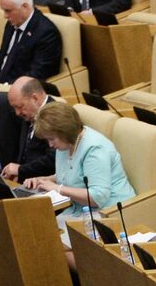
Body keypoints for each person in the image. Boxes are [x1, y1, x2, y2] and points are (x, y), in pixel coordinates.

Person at [24, 102, 135, 266]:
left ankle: (96, 280)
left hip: (108, 212)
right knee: (36, 233)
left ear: (64, 131)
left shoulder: (94, 149)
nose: (50, 145)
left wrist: (58, 188)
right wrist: (46, 180)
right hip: (78, 209)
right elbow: (70, 173)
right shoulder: (66, 145)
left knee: (51, 246)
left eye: (51, 138)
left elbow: (98, 197)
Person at [0, 0, 62, 84]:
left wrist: (6, 86)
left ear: (25, 7)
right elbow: (4, 53)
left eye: (8, 11)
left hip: (19, 90)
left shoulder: (46, 33)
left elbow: (37, 74)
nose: (5, 16)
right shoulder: (12, 23)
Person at [2, 76, 57, 182]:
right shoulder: (30, 113)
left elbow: (54, 159)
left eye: (20, 106)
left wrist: (21, 170)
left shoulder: (55, 114)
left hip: (46, 184)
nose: (17, 113)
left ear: (35, 98)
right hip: (26, 181)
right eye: (14, 108)